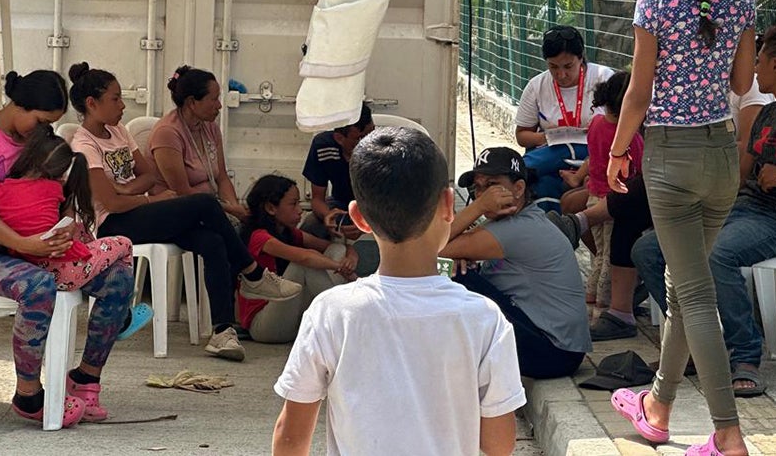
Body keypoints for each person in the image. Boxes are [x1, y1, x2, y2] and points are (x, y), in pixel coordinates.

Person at [606, 0, 756, 456]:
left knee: (694, 295)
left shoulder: (654, 4)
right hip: (721, 157)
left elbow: (638, 94)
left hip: (670, 156)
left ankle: (727, 435)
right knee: (682, 282)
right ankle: (658, 407)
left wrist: (619, 153)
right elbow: (742, 85)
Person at [632, 20, 776, 398]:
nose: (753, 68)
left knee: (717, 255)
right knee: (650, 249)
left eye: (759, 60)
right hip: (738, 210)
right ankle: (689, 345)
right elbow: (738, 175)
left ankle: (745, 357)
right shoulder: (768, 116)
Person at [272, 128, 525, 456]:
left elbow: (290, 437)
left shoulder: (332, 311)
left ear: (358, 218)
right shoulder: (485, 318)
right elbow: (498, 444)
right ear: (449, 205)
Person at [67, 62, 303, 362]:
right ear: (92, 103)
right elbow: (111, 205)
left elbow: (148, 176)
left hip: (135, 211)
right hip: (112, 225)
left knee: (211, 241)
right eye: (115, 98)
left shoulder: (118, 131)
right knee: (204, 204)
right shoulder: (84, 145)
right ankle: (253, 273)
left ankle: (221, 332)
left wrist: (129, 190)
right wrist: (150, 200)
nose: (123, 104)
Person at [0, 69, 135, 427]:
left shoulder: (41, 142)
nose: (42, 131)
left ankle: (86, 379)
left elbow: (58, 198)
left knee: (118, 278)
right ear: (18, 105)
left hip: (41, 247)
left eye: (49, 124)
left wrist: (64, 233)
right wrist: (24, 243)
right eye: (40, 121)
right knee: (38, 286)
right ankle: (28, 394)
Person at [443, 147, 592, 379]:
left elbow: (429, 249)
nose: (482, 194)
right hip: (553, 344)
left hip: (554, 353)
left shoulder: (518, 229)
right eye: (478, 188)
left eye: (491, 185)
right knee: (455, 271)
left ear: (519, 188)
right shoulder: (514, 222)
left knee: (447, 274)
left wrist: (477, 207)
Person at [549, 72, 651, 341]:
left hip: (594, 194)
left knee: (598, 255)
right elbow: (639, 172)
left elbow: (593, 155)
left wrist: (578, 177)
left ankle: (592, 297)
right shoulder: (631, 137)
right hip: (614, 199)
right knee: (610, 255)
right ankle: (608, 306)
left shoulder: (595, 124)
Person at [0, 124, 133, 293]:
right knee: (124, 243)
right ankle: (124, 306)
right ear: (59, 172)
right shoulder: (54, 188)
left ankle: (95, 265)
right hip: (65, 272)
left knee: (79, 229)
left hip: (27, 263)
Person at [237, 174, 358, 344]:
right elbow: (304, 258)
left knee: (336, 248)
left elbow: (333, 248)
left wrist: (350, 258)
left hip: (290, 315)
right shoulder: (259, 237)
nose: (300, 210)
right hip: (264, 325)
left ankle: (344, 314)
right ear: (271, 208)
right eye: (293, 204)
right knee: (303, 265)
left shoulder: (289, 232)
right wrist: (342, 268)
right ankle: (346, 316)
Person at [515, 25, 614, 202]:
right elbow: (522, 135)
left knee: (531, 169)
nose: (561, 75)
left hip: (593, 154)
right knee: (544, 186)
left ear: (581, 57)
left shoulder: (603, 78)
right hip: (552, 155)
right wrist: (547, 138)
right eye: (553, 67)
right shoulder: (536, 86)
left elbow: (619, 125)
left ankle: (515, 173)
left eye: (568, 66)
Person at [148, 65, 246, 220]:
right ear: (192, 102)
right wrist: (229, 211)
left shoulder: (210, 126)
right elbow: (182, 192)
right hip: (177, 211)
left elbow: (221, 177)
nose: (219, 105)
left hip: (210, 207)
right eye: (214, 99)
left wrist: (234, 207)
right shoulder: (167, 133)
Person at [298, 105, 380, 276]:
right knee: (310, 226)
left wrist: (367, 221)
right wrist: (328, 216)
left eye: (371, 134)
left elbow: (392, 200)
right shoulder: (323, 147)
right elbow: (317, 199)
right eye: (359, 138)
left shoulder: (382, 148)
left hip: (379, 208)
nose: (368, 143)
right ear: (339, 138)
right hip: (341, 204)